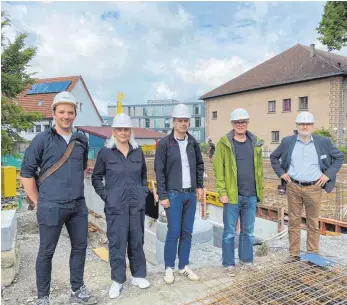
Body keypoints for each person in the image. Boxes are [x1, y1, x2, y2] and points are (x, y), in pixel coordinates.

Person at [20, 91, 97, 305]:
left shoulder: (81, 140)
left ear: (75, 115)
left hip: (78, 206)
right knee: (46, 251)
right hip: (51, 206)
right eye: (61, 112)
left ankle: (77, 288)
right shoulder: (41, 139)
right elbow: (26, 173)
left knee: (80, 248)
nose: (66, 116)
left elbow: (81, 168)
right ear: (53, 113)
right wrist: (37, 201)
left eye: (70, 112)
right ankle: (43, 297)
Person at [270, 112, 344, 260]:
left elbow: (339, 157)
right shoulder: (287, 142)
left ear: (312, 126)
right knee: (294, 221)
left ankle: (313, 254)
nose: (305, 126)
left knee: (312, 222)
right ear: (297, 126)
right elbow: (273, 157)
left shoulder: (323, 142)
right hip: (293, 186)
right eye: (302, 124)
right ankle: (294, 254)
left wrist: (327, 175)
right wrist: (282, 174)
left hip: (314, 187)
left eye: (308, 124)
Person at [91, 113, 150, 299]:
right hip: (116, 207)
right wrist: (107, 196)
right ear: (113, 131)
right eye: (119, 129)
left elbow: (143, 176)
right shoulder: (106, 153)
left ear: (130, 131)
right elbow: (96, 177)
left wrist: (143, 193)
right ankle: (117, 281)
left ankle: (138, 275)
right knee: (117, 243)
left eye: (126, 129)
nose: (123, 132)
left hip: (136, 206)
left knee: (137, 241)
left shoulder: (137, 151)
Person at [154, 103, 204, 284]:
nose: (183, 124)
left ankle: (184, 266)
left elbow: (199, 165)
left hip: (190, 194)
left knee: (187, 232)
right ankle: (169, 268)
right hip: (173, 195)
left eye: (186, 121)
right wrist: (163, 195)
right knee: (173, 231)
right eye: (180, 120)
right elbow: (159, 171)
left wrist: (199, 186)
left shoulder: (192, 143)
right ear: (174, 122)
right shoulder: (165, 144)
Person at [213, 108, 264, 276]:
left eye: (243, 122)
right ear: (232, 124)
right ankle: (228, 264)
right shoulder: (224, 143)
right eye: (237, 122)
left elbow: (259, 170)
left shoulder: (254, 143)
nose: (240, 125)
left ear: (247, 123)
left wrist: (259, 192)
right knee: (229, 232)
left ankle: (247, 261)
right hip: (233, 195)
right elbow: (218, 170)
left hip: (251, 195)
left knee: (248, 232)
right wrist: (222, 191)